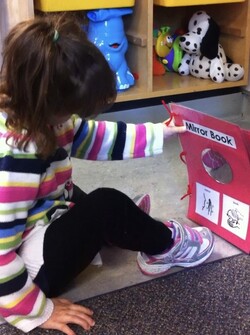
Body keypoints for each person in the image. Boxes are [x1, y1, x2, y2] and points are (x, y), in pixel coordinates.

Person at [0, 14, 214, 335]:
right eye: (71, 112)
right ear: (49, 103)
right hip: (26, 273)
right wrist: (37, 311)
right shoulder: (16, 161)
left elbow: (94, 137)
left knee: (74, 192)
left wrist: (159, 133)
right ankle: (164, 245)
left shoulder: (37, 109)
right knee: (106, 206)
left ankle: (121, 229)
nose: (73, 119)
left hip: (38, 219)